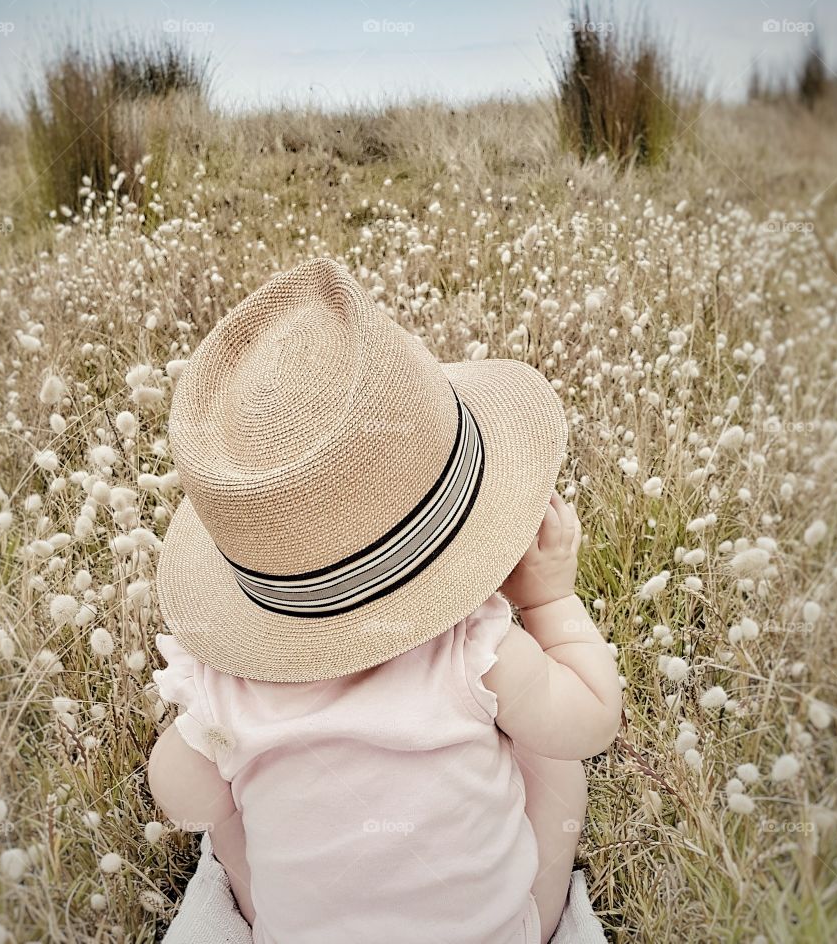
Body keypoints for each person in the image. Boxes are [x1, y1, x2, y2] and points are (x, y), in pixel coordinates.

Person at [147, 257, 622, 943]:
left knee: (225, 816)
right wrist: (549, 601)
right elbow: (594, 719)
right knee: (553, 759)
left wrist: (205, 748)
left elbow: (181, 799)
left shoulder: (226, 693)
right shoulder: (478, 650)